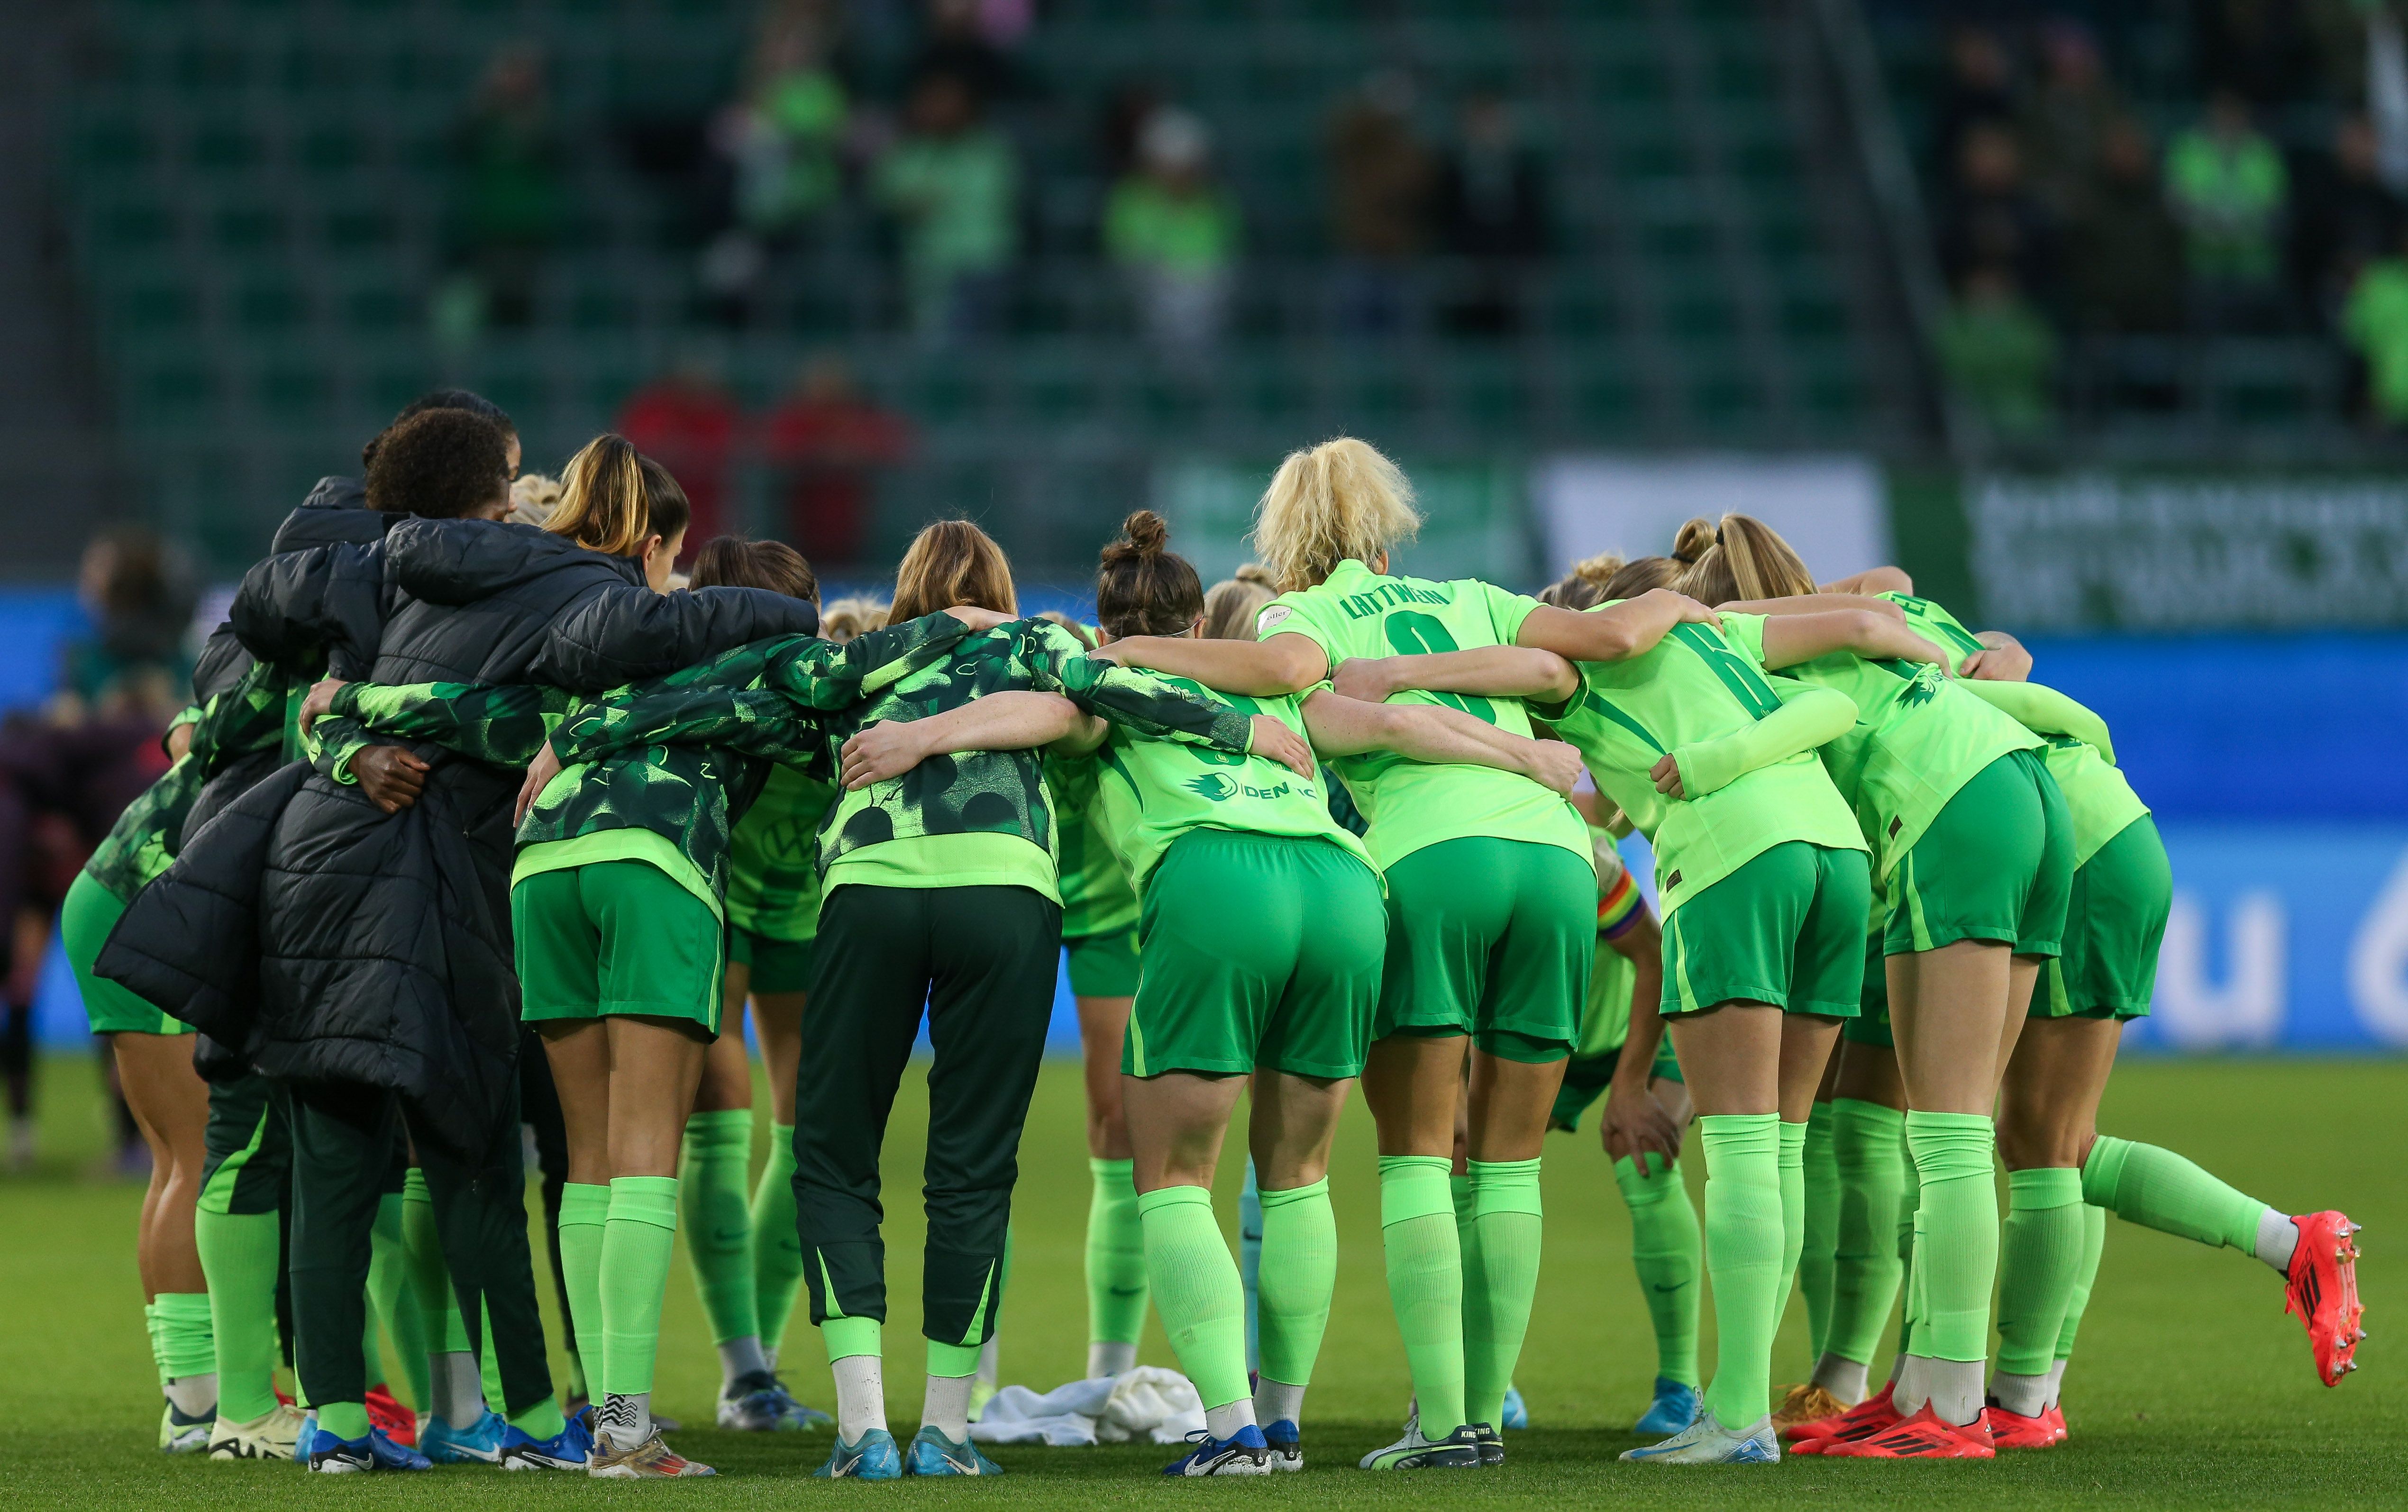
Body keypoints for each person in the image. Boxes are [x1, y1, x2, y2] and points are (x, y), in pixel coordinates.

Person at [524, 519, 1296, 1480]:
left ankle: (860, 1432)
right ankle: (946, 1429)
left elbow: (721, 699)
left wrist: (577, 737)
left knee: (833, 1157)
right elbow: (1110, 691)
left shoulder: (859, 662)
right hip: (1007, 894)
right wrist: (1243, 724)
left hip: (870, 889)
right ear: (999, 590)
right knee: (972, 1169)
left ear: (907, 591)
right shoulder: (1039, 640)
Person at [1094, 437, 1723, 1471]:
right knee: (1511, 1164)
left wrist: (1119, 654)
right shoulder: (1474, 592)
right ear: (1390, 518)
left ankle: (1446, 1419)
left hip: (1429, 859)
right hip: (1559, 853)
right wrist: (1695, 603)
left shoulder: (1299, 618)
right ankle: (1481, 1405)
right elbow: (1589, 648)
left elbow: (1335, 702)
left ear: (1283, 533)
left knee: (1421, 1152)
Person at [951, 512, 1575, 1476]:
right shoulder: (1275, 695)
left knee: (1170, 1176)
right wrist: (1528, 758)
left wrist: (925, 729)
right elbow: (1400, 724)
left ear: (1108, 617)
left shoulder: (1105, 678)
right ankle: (1282, 1424)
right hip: (1340, 885)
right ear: (1203, 617)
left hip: (1216, 884)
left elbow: (1044, 715)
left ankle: (1231, 1430)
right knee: (1298, 1173)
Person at [1336, 553, 1939, 1465]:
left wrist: (1400, 671)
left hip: (1738, 855)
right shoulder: (1719, 636)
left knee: (1739, 1147)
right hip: (1837, 856)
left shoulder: (1590, 665)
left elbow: (1547, 669)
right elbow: (1855, 648)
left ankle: (1735, 1416)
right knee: (1781, 1148)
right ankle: (1748, 1406)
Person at [1862, 581, 2364, 1439]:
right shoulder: (1918, 629)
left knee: (2025, 1143)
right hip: (2108, 829)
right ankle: (2028, 1397)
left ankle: (2290, 1243)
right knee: (2053, 1141)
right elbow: (1971, 632)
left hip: (2064, 845)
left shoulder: (1830, 666)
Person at [1672, 514, 2073, 1459]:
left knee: (1948, 1132)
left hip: (1946, 808)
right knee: (1955, 1129)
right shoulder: (1859, 604)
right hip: (2023, 788)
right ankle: (1928, 1389)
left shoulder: (1743, 644)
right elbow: (1882, 585)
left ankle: (1953, 1409)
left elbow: (1843, 621)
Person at [871, 71, 1019, 339]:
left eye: (949, 101)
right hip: (927, 270)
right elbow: (890, 196)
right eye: (933, 102)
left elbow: (994, 199)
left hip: (983, 265)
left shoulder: (989, 152)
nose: (940, 110)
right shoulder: (908, 153)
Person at [1104, 107, 1241, 351]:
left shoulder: (1216, 202)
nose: (1178, 171)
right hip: (1146, 296)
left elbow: (1227, 254)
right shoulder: (1129, 198)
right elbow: (1124, 253)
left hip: (1206, 299)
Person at [760, 356, 913, 567]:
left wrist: (856, 453)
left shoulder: (857, 418)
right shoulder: (796, 417)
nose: (827, 391)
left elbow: (900, 446)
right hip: (799, 532)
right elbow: (772, 450)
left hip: (854, 536)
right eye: (820, 384)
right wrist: (818, 454)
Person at [616, 359, 742, 542]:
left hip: (705, 518)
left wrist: (688, 455)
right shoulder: (652, 410)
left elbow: (735, 449)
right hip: (653, 514)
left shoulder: (715, 412)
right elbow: (631, 449)